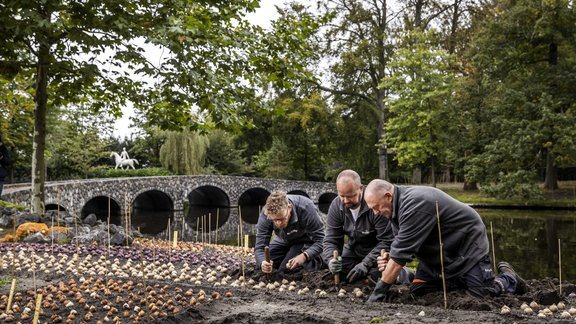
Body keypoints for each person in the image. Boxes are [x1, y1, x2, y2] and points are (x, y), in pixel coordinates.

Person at [363, 179, 527, 302]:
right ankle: (456, 280)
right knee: (419, 291)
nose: (375, 213)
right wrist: (390, 258)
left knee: (480, 296)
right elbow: (403, 248)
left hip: (467, 246)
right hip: (439, 255)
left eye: (376, 207)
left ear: (388, 196)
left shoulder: (415, 203)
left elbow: (400, 255)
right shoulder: (394, 210)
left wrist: (377, 295)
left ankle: (508, 279)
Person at [323, 170, 412, 284]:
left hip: (376, 253)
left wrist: (365, 264)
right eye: (342, 196)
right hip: (353, 250)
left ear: (361, 188)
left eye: (350, 196)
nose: (345, 201)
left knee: (380, 275)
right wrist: (331, 259)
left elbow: (387, 240)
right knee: (336, 271)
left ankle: (405, 273)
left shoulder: (374, 203)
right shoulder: (336, 206)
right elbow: (331, 238)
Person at [254, 191, 325, 273]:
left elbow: (322, 241)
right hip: (283, 240)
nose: (278, 223)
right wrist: (263, 262)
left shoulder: (306, 208)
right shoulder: (266, 213)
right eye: (274, 220)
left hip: (305, 240)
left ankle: (318, 260)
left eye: (282, 219)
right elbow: (260, 247)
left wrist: (304, 256)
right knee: (262, 267)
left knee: (287, 270)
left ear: (289, 207)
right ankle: (288, 255)